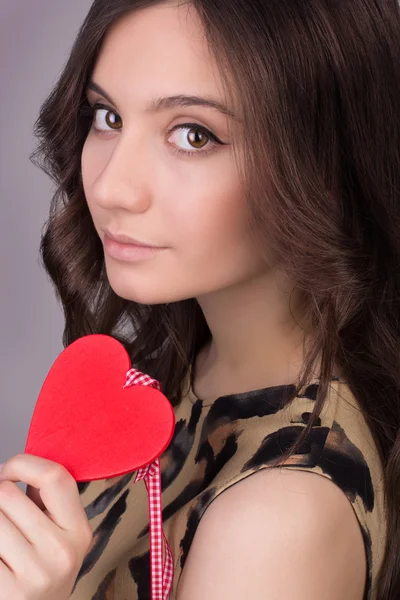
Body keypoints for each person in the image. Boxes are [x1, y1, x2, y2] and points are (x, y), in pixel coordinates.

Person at [0, 0, 399, 598]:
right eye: (106, 116)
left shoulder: (276, 518)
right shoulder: (176, 374)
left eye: (193, 134)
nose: (111, 187)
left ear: (323, 161)